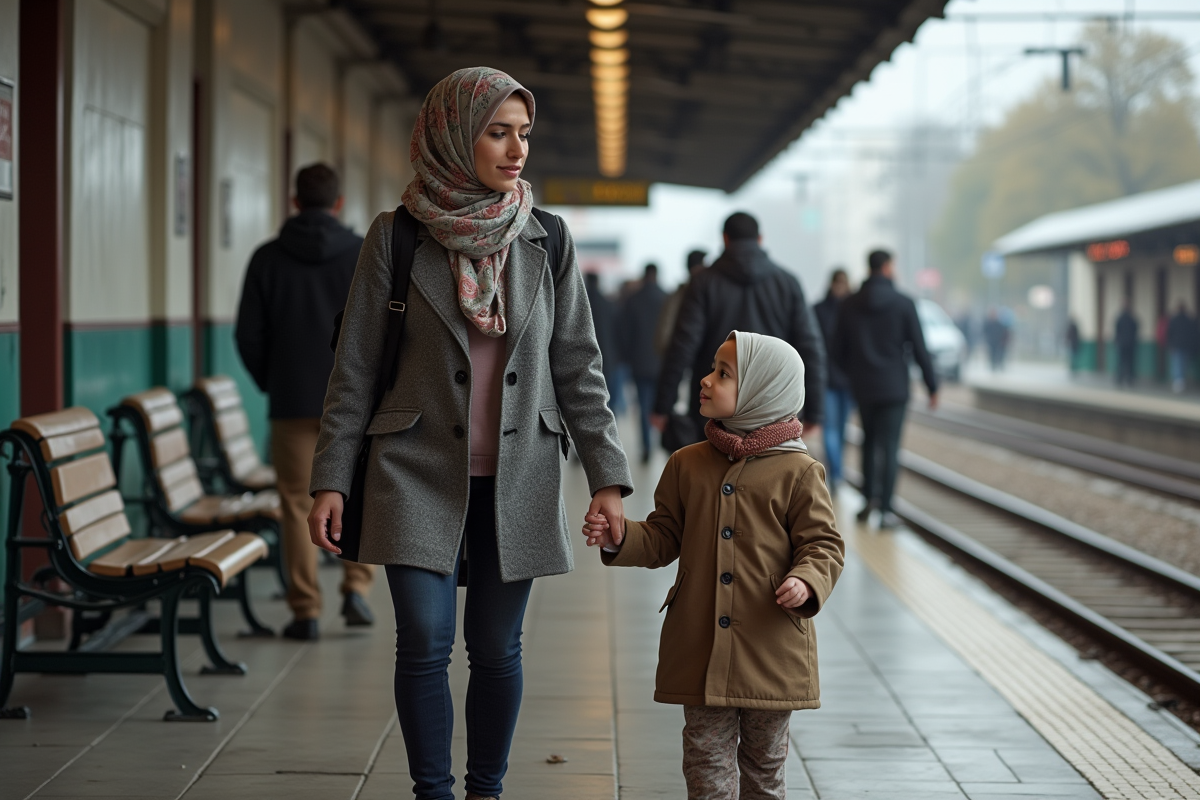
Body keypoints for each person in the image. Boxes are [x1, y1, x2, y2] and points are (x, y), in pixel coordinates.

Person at [307, 67, 632, 800]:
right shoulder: (396, 238)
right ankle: (434, 793)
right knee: (423, 639)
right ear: (456, 134)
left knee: (494, 648)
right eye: (497, 132)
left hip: (520, 472)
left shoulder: (547, 238)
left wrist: (608, 478)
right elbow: (354, 370)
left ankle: (485, 790)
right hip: (411, 466)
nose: (516, 149)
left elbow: (578, 364)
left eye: (523, 133)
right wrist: (330, 478)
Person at [582, 331, 844, 799]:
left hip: (770, 648)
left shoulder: (799, 472)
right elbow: (665, 537)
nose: (705, 379)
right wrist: (622, 538)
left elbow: (824, 544)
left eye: (723, 373)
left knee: (764, 768)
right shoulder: (687, 464)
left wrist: (806, 580)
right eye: (712, 368)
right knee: (705, 763)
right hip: (701, 646)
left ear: (764, 391)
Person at [235, 163, 376, 641]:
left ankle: (305, 609)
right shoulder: (363, 254)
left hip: (292, 397)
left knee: (296, 504)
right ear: (338, 204)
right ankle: (356, 588)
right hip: (356, 403)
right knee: (357, 492)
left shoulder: (267, 258)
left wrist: (273, 380)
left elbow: (248, 334)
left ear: (295, 201)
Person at [652, 212, 826, 451]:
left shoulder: (703, 283)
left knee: (712, 479)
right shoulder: (787, 283)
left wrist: (663, 405)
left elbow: (683, 345)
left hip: (714, 409)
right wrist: (814, 411)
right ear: (760, 239)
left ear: (725, 239)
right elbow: (810, 347)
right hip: (772, 407)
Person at [831, 249, 938, 529]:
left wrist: (853, 372)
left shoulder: (849, 304)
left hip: (863, 385)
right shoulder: (903, 303)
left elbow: (838, 349)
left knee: (868, 442)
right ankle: (887, 509)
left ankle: (868, 502)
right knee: (889, 447)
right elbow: (919, 347)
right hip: (894, 387)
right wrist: (932, 385)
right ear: (888, 268)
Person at [619, 263, 668, 462]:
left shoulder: (633, 300)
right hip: (661, 364)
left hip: (639, 363)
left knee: (643, 406)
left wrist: (628, 357)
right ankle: (661, 444)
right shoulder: (666, 298)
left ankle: (646, 446)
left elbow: (624, 333)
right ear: (657, 276)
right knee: (662, 405)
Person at [812, 268, 852, 495]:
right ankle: (837, 475)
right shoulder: (821, 310)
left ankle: (836, 474)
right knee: (831, 429)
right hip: (828, 380)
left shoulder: (821, 310)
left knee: (840, 430)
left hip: (844, 381)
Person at [654, 249, 707, 356]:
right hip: (689, 359)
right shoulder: (685, 294)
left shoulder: (677, 295)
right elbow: (665, 333)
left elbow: (664, 334)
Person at [585, 272, 622, 414]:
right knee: (607, 397)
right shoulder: (608, 303)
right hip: (607, 355)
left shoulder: (581, 303)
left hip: (585, 355)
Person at [1166, 302, 1196, 393]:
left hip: (1176, 345)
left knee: (1177, 363)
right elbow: (1192, 334)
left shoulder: (1174, 319)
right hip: (1185, 345)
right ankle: (1181, 382)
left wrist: (1170, 345)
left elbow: (1170, 333)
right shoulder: (1188, 320)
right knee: (1183, 364)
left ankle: (1177, 382)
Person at [1115, 301, 1139, 387]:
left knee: (1121, 361)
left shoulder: (1120, 318)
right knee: (1130, 362)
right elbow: (1136, 329)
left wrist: (1117, 341)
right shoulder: (1132, 318)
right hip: (1130, 344)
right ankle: (1129, 378)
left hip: (1122, 343)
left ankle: (1120, 378)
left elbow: (1117, 330)